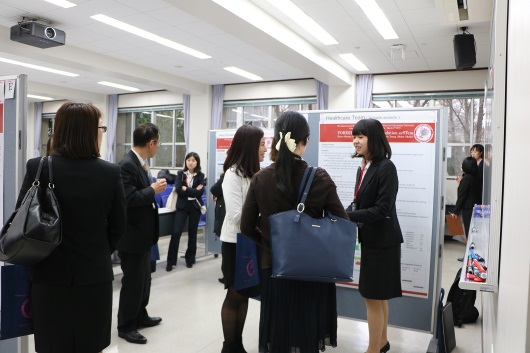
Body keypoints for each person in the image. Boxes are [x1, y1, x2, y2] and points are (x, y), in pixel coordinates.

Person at [14, 102, 127, 353]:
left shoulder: (39, 167)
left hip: (47, 276)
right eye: (101, 127)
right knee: (90, 344)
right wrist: (97, 251)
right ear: (88, 131)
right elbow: (119, 226)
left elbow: (21, 218)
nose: (102, 132)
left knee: (52, 345)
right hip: (93, 278)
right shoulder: (109, 173)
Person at [241, 111, 347, 353]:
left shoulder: (260, 178)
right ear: (305, 141)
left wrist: (271, 244)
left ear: (276, 140)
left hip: (274, 268)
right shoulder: (319, 178)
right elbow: (342, 221)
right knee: (307, 331)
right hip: (312, 271)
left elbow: (246, 226)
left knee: (278, 333)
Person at [345, 118, 403, 353]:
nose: (356, 141)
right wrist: (346, 211)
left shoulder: (386, 167)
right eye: (354, 136)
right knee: (378, 297)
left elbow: (382, 209)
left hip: (383, 242)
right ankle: (382, 343)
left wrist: (349, 216)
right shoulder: (364, 166)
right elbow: (359, 201)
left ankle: (372, 349)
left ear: (374, 139)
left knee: (372, 296)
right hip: (373, 239)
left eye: (361, 136)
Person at [117, 122, 167, 344]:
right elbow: (127, 199)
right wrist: (152, 190)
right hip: (132, 236)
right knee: (133, 283)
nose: (158, 147)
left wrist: (150, 190)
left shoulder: (141, 163)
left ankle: (140, 314)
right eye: (158, 143)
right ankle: (126, 325)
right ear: (151, 143)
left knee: (144, 280)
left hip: (143, 235)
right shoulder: (126, 165)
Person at [219, 124, 266, 353]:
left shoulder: (253, 173)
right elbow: (237, 215)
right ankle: (229, 346)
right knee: (235, 294)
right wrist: (263, 220)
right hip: (235, 243)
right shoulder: (233, 174)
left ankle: (237, 345)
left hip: (250, 241)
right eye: (262, 144)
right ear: (250, 146)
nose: (265, 149)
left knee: (245, 294)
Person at [166, 152, 206, 271]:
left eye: (193, 160)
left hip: (194, 207)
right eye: (188, 160)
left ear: (197, 162)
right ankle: (171, 261)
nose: (190, 162)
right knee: (176, 232)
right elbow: (178, 190)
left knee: (192, 234)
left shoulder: (200, 175)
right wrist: (192, 190)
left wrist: (186, 188)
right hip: (182, 207)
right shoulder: (180, 174)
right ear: (185, 161)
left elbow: (200, 193)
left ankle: (190, 259)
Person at [450, 156, 482, 242]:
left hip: (468, 209)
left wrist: (456, 211)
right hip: (476, 206)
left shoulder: (467, 179)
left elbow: (462, 196)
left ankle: (469, 254)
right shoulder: (476, 176)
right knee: (474, 232)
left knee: (469, 232)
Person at [210, 171, 227, 284]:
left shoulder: (228, 173)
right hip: (225, 214)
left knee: (227, 249)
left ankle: (227, 275)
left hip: (225, 215)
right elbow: (215, 189)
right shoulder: (228, 173)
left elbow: (215, 189)